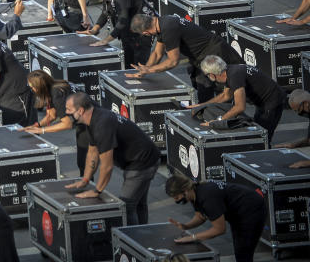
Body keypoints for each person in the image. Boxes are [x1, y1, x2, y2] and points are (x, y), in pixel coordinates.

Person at [65, 92, 160, 226]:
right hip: (139, 158)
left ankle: (132, 242)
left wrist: (97, 191)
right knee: (138, 202)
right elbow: (92, 151)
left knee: (126, 206)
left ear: (80, 111)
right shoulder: (93, 118)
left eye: (69, 109)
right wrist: (85, 179)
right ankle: (141, 235)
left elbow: (107, 166)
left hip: (142, 162)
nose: (66, 112)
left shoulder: (101, 125)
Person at [129, 12, 243, 102]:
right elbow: (157, 53)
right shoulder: (161, 23)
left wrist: (149, 70)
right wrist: (144, 70)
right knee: (200, 84)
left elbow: (173, 61)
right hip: (201, 56)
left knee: (216, 86)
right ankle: (210, 112)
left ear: (145, 33)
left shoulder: (168, 28)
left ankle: (216, 114)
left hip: (215, 53)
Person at [165, 174, 267, 262]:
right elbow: (200, 216)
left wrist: (192, 238)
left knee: (243, 251)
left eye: (177, 197)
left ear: (185, 191)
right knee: (240, 249)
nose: (176, 201)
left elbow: (219, 229)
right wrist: (185, 226)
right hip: (237, 210)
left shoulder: (207, 197)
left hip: (251, 209)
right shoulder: (195, 193)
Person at [196, 56, 286, 141]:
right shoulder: (229, 71)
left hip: (272, 101)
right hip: (264, 100)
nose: (207, 77)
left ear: (212, 74)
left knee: (261, 137)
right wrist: (202, 105)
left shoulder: (235, 77)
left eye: (207, 75)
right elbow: (226, 96)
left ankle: (266, 153)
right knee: (257, 130)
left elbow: (240, 107)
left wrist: (218, 121)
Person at [22, 70, 89, 173]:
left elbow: (67, 124)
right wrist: (37, 125)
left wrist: (42, 130)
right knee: (83, 160)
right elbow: (51, 115)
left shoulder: (57, 93)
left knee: (84, 160)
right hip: (83, 119)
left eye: (32, 87)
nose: (32, 90)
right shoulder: (53, 87)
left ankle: (88, 184)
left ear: (40, 86)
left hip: (90, 121)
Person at [86, 0, 155, 66]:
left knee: (139, 63)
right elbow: (106, 11)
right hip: (129, 28)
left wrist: (107, 40)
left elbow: (123, 18)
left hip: (143, 29)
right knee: (128, 61)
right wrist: (95, 29)